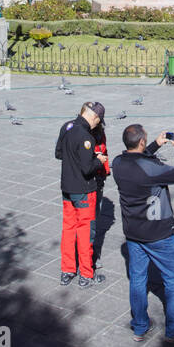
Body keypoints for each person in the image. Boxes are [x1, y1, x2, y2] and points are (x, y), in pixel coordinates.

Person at [110, 124, 174, 345]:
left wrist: (154, 145)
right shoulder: (149, 169)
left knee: (138, 278)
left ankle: (140, 325)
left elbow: (138, 162)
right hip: (158, 233)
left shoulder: (118, 164)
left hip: (133, 233)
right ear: (141, 142)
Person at [55, 102, 109, 288]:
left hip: (67, 187)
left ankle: (67, 270)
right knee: (85, 231)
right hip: (84, 190)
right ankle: (86, 274)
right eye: (98, 121)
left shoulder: (67, 126)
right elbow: (87, 169)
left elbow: (58, 154)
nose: (97, 125)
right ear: (95, 117)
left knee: (68, 229)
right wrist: (98, 160)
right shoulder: (87, 137)